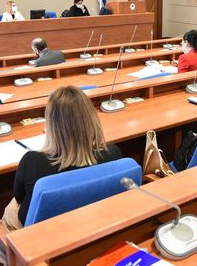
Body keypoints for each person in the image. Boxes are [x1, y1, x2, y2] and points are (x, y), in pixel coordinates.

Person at [12, 86, 122, 225]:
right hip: (98, 225)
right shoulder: (113, 153)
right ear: (91, 119)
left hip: (44, 235)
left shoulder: (32, 161)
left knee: (11, 208)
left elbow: (19, 198)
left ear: (51, 126)